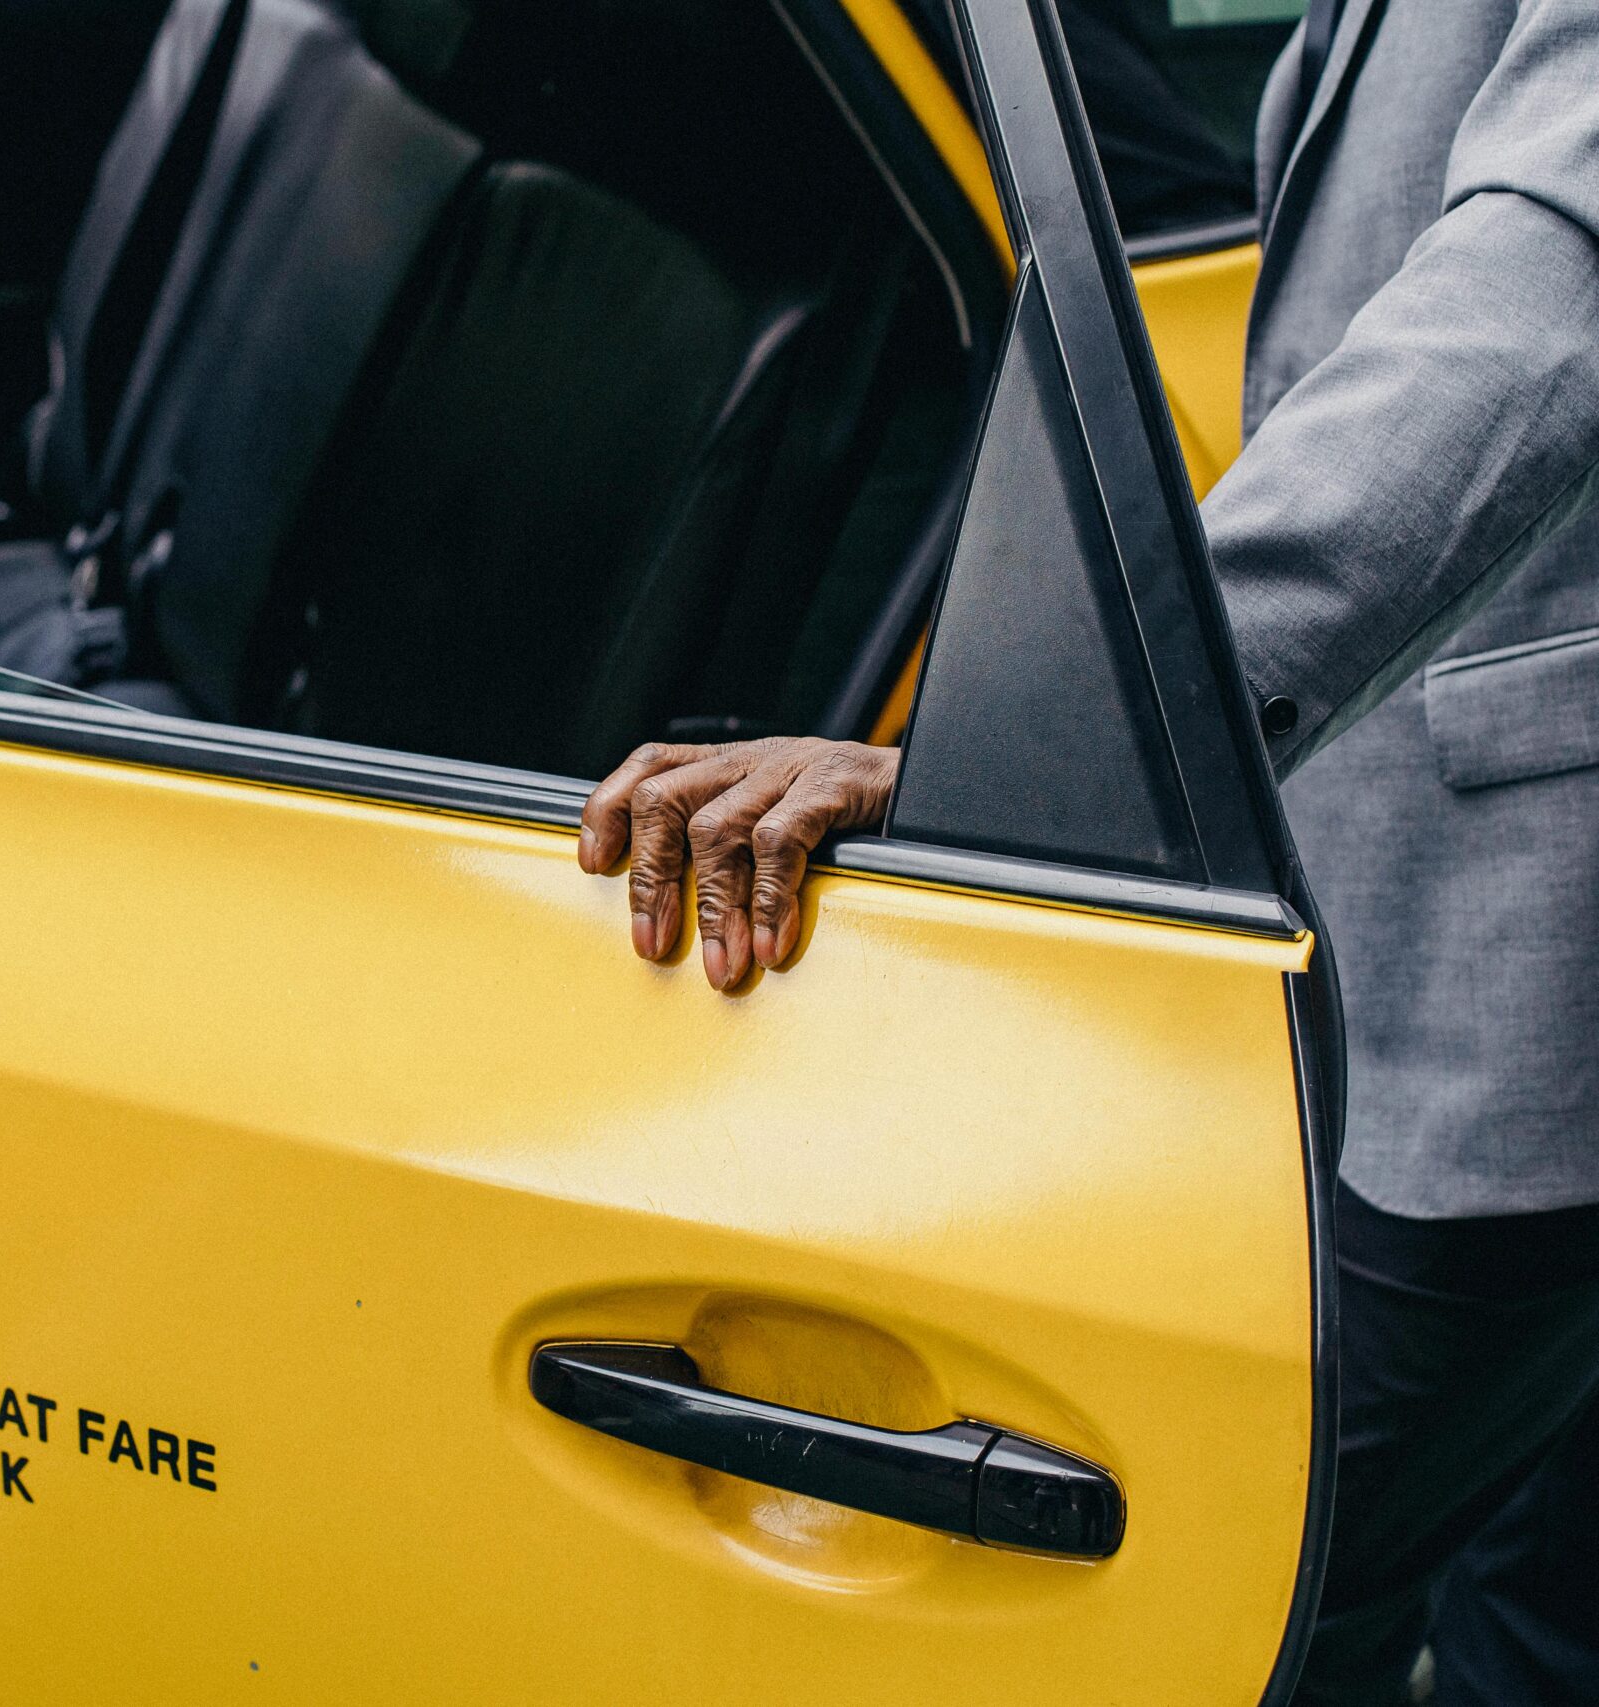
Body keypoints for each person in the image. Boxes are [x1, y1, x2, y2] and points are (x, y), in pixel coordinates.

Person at [581, 3, 1599, 1702]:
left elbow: (1541, 307)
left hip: (1508, 950)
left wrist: (1102, 722)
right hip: (1446, 864)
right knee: (1532, 1592)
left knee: (1266, 1609)